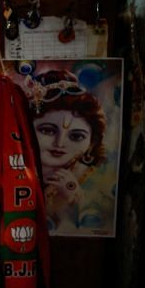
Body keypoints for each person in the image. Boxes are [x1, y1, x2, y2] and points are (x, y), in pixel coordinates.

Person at [26, 70, 107, 233]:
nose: (60, 143)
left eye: (76, 136)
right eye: (47, 131)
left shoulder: (89, 182)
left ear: (91, 144)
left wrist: (72, 197)